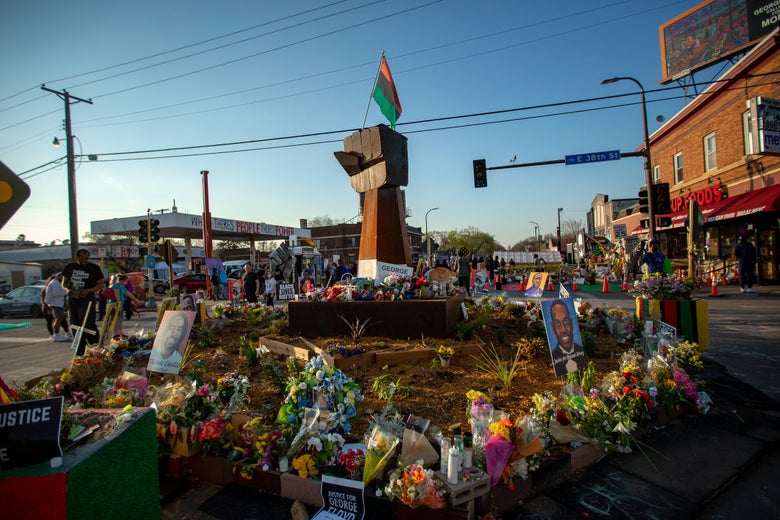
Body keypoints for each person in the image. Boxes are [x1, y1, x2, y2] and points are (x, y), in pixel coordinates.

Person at [62, 249, 104, 356]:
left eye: (86, 258)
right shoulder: (70, 267)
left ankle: (95, 346)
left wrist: (88, 291)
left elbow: (100, 285)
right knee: (75, 323)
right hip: (73, 298)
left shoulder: (94, 268)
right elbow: (64, 283)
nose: (85, 261)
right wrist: (68, 291)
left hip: (87, 298)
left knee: (88, 322)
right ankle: (79, 350)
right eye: (82, 259)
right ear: (77, 257)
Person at [547, 299, 587, 377]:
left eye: (566, 322)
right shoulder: (555, 355)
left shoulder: (580, 351)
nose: (563, 329)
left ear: (571, 323)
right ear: (553, 327)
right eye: (558, 324)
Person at [44, 273, 70, 342]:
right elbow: (56, 293)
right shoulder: (55, 283)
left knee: (57, 319)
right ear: (59, 277)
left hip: (56, 303)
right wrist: (66, 292)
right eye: (62, 277)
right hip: (56, 304)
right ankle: (56, 335)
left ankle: (56, 334)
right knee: (59, 319)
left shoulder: (54, 283)